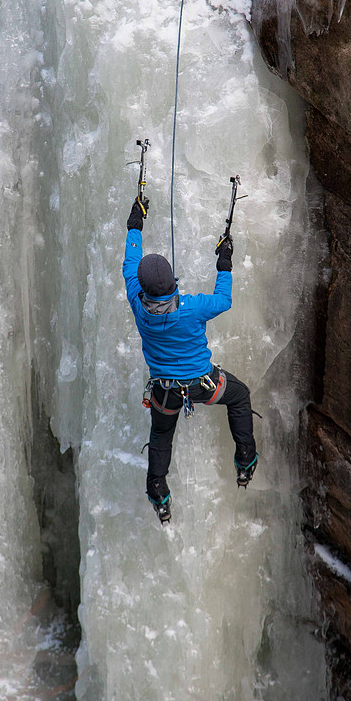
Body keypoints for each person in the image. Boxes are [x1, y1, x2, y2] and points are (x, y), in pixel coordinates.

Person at [122, 195, 258, 523]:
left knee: (161, 436)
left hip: (166, 391)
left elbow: (129, 263)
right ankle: (245, 459)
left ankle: (158, 492)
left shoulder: (138, 303)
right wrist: (224, 261)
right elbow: (223, 300)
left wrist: (135, 225)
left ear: (143, 287)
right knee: (239, 397)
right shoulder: (192, 307)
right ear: (172, 282)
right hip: (203, 384)